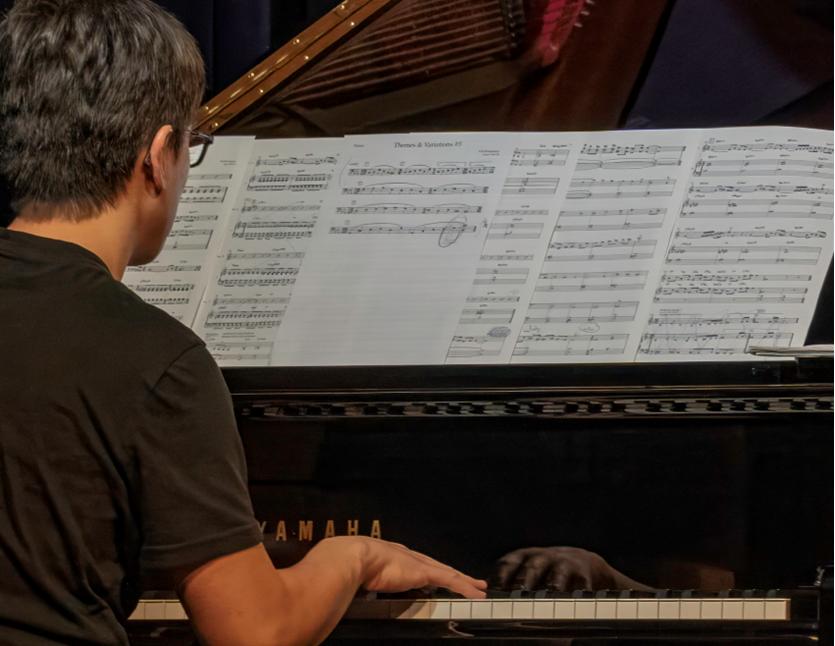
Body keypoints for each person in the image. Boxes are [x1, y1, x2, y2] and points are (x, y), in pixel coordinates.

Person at [0, 2, 486, 646]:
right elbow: (256, 634)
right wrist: (353, 556)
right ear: (158, 157)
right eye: (192, 148)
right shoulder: (157, 361)